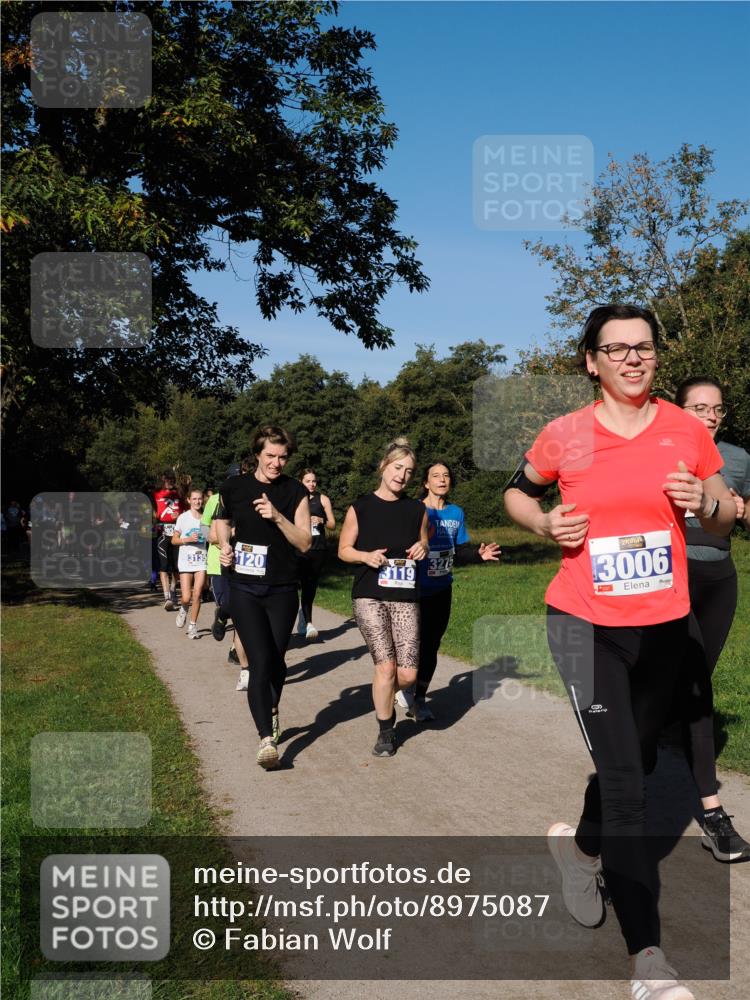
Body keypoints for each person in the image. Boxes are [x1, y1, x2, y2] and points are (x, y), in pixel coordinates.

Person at [504, 304, 736, 1000]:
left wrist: (705, 500)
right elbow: (517, 491)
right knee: (629, 784)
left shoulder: (686, 429)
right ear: (591, 361)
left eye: (644, 347)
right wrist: (545, 521)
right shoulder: (565, 434)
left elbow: (725, 510)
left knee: (630, 759)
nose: (634, 358)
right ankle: (650, 963)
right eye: (617, 349)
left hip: (666, 626)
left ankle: (577, 852)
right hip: (584, 622)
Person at [674, 375, 750, 861]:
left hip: (721, 580)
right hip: (673, 575)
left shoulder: (739, 459)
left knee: (692, 679)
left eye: (717, 408)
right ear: (680, 411)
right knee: (697, 685)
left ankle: (661, 727)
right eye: (699, 407)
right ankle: (712, 811)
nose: (710, 415)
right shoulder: (662, 452)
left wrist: (742, 511)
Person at [216, 426, 311, 769]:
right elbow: (221, 523)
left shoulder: (295, 490)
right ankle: (266, 740)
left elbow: (304, 543)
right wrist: (224, 545)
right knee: (258, 661)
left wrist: (278, 516)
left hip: (283, 588)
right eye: (270, 456)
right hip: (244, 587)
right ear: (256, 454)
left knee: (276, 660)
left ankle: (271, 708)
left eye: (282, 457)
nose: (276, 463)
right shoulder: (234, 487)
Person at [338, 438, 429, 757]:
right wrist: (365, 556)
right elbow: (343, 550)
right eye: (397, 467)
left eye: (409, 471)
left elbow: (423, 544)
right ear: (383, 466)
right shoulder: (360, 507)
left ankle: (385, 695)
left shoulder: (418, 509)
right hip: (369, 595)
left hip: (405, 595)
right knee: (386, 668)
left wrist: (423, 548)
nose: (402, 475)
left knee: (408, 674)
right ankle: (385, 731)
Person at [396, 461, 501, 721]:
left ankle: (419, 700)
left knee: (431, 645)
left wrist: (478, 554)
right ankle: (403, 685)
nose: (442, 480)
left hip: (442, 588)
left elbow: (459, 549)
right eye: (436, 476)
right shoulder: (415, 509)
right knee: (411, 643)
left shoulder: (456, 513)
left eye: (446, 476)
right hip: (413, 588)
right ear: (425, 483)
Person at [204, 461, 251, 690]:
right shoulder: (220, 499)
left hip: (254, 562)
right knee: (234, 605)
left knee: (246, 613)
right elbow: (212, 535)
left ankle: (241, 658)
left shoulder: (256, 494)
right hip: (229, 560)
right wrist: (232, 534)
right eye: (238, 476)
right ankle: (222, 614)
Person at [296, 469, 335, 640]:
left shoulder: (323, 499)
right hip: (298, 548)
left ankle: (308, 621)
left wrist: (322, 521)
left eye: (314, 481)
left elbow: (333, 524)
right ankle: (300, 617)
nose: (312, 484)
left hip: (318, 548)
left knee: (310, 585)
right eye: (308, 481)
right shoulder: (295, 498)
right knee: (293, 584)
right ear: (301, 482)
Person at [173, 489, 208, 638]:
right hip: (186, 560)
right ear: (188, 500)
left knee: (198, 593)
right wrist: (187, 539)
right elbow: (174, 540)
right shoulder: (183, 518)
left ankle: (193, 626)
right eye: (194, 499)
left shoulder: (206, 518)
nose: (197, 502)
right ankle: (183, 608)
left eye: (199, 499)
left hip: (201, 559)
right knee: (186, 597)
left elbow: (210, 537)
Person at [153, 471, 185, 610]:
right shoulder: (156, 493)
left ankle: (173, 591)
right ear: (163, 479)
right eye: (167, 479)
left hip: (177, 532)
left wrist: (180, 514)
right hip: (162, 532)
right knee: (163, 565)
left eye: (171, 479)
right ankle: (167, 597)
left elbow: (186, 511)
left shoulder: (179, 494)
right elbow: (152, 512)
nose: (169, 481)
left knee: (176, 566)